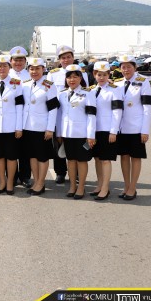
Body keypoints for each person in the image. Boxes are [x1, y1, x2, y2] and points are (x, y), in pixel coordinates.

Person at [47, 45, 89, 184]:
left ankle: (76, 174)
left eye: (69, 57)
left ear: (73, 58)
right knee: (59, 145)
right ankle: (60, 172)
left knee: (76, 147)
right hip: (59, 113)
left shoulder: (82, 73)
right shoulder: (53, 74)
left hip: (77, 114)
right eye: (63, 58)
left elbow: (86, 92)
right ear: (59, 60)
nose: (66, 60)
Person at [114, 55, 151, 201]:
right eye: (123, 67)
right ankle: (126, 186)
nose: (126, 70)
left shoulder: (143, 82)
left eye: (129, 66)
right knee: (124, 157)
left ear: (135, 67)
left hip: (136, 128)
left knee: (135, 157)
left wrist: (145, 130)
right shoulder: (117, 83)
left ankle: (133, 187)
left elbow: (147, 108)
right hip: (122, 128)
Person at [56, 64, 97, 200]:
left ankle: (81, 187)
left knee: (82, 161)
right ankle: (72, 186)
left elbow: (91, 116)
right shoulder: (62, 94)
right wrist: (59, 133)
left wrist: (91, 135)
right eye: (69, 77)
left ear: (80, 78)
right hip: (67, 135)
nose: (72, 80)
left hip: (82, 135)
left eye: (75, 77)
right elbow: (60, 115)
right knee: (70, 161)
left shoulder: (87, 94)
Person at [0, 55, 24, 194]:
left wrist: (19, 127)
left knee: (12, 157)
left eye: (5, 65)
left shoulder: (17, 84)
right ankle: (2, 182)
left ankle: (10, 183)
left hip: (11, 127)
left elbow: (20, 107)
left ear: (9, 67)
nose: (2, 68)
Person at [21, 57, 58, 196]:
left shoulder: (49, 85)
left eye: (37, 68)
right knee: (32, 156)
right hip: (27, 127)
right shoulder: (25, 84)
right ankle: (36, 180)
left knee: (42, 157)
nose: (34, 71)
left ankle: (41, 183)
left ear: (43, 69)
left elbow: (53, 108)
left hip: (42, 128)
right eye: (31, 68)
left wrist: (50, 128)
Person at [89, 61, 123, 200]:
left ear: (109, 75)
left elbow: (117, 112)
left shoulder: (115, 90)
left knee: (105, 160)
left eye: (104, 75)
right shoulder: (90, 90)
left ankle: (105, 188)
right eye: (98, 74)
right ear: (94, 75)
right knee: (97, 159)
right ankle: (99, 184)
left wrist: (114, 131)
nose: (101, 77)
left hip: (107, 130)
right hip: (94, 130)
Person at [9, 46, 32, 188]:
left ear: (25, 61)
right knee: (10, 150)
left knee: (25, 150)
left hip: (26, 118)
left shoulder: (30, 75)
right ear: (10, 61)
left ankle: (25, 176)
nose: (18, 63)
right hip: (10, 118)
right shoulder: (5, 74)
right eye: (15, 60)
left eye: (21, 60)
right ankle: (11, 176)